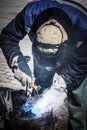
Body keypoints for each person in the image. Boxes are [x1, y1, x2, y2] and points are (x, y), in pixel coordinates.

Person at [0, 0, 87, 130]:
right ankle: (43, 122)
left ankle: (78, 126)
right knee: (41, 83)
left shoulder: (84, 27)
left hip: (77, 56)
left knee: (77, 97)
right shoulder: (29, 15)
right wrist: (18, 62)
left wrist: (61, 86)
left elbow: (81, 64)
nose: (49, 67)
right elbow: (8, 36)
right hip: (43, 52)